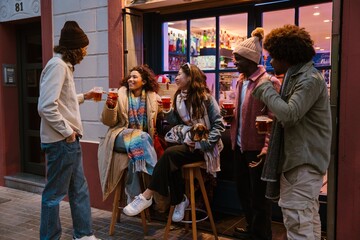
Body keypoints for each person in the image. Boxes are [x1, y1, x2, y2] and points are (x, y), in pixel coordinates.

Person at [252, 24, 332, 240]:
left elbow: (289, 114)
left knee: (298, 224)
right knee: (307, 221)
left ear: (285, 55)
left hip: (302, 164)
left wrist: (266, 88)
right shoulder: (299, 77)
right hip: (301, 162)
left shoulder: (308, 80)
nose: (269, 61)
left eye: (272, 56)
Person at [122, 63, 225, 222]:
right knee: (170, 158)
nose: (176, 77)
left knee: (170, 154)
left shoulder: (206, 99)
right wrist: (169, 112)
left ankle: (147, 195)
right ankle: (179, 200)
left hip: (205, 148)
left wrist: (201, 144)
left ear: (190, 78)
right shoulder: (178, 98)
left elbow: (219, 125)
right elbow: (178, 124)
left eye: (179, 74)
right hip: (187, 143)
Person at [38, 21, 100, 240]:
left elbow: (63, 102)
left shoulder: (64, 66)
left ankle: (84, 235)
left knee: (79, 190)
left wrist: (86, 96)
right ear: (74, 48)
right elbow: (46, 106)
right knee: (54, 195)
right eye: (83, 48)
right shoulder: (57, 66)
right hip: (61, 142)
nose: (85, 51)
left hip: (68, 142)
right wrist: (67, 132)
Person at [226, 28, 281, 240]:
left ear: (250, 60)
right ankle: (251, 228)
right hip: (239, 146)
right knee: (243, 192)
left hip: (257, 150)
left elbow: (273, 119)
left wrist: (266, 148)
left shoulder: (268, 82)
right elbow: (241, 114)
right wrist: (229, 117)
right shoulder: (241, 81)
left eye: (238, 59)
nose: (235, 63)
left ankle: (262, 234)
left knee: (259, 196)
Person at [97, 64, 165, 209]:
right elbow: (108, 122)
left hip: (139, 142)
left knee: (135, 150)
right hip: (119, 136)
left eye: (135, 77)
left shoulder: (152, 98)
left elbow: (161, 117)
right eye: (130, 77)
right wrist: (110, 106)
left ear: (144, 81)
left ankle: (135, 197)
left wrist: (164, 107)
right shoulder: (119, 95)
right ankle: (159, 180)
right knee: (140, 136)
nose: (130, 79)